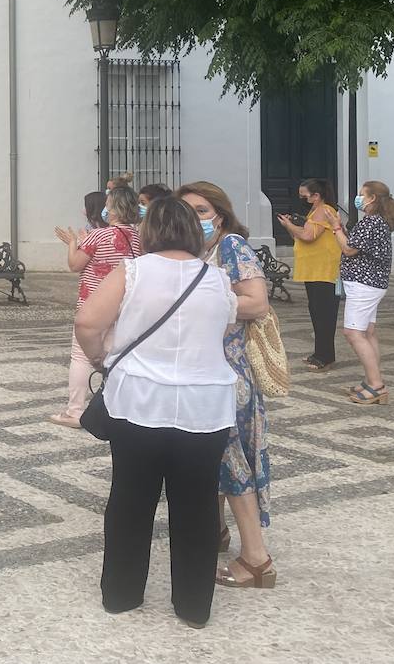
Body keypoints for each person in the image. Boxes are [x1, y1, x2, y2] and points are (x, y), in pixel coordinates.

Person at [76, 195, 237, 628]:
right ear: (190, 231)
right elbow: (220, 330)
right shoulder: (218, 279)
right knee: (198, 505)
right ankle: (193, 604)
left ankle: (122, 593)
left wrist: (99, 359)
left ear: (149, 232)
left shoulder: (131, 272)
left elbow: (88, 323)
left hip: (139, 401)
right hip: (205, 406)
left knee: (131, 497)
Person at [179, 181, 274, 590]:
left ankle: (257, 559)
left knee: (231, 461)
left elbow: (257, 301)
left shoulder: (231, 245)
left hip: (228, 372)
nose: (195, 218)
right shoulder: (189, 252)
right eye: (187, 211)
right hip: (201, 369)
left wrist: (208, 301)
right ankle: (215, 531)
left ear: (219, 213)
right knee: (214, 455)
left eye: (202, 210)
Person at [51, 185, 142, 428]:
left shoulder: (99, 235)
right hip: (124, 304)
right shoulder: (139, 237)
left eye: (108, 204)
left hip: (93, 302)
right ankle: (116, 407)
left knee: (81, 356)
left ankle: (75, 411)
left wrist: (72, 244)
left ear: (113, 208)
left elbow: (75, 265)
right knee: (115, 354)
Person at [330, 180, 394, 406]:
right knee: (368, 332)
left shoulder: (371, 222)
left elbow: (349, 249)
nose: (358, 198)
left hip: (364, 285)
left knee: (353, 333)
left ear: (371, 199)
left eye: (362, 194)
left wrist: (336, 227)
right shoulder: (377, 222)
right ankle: (371, 379)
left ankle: (376, 385)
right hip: (371, 284)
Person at [276, 179, 341, 371]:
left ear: (316, 196)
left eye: (303, 195)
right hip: (313, 269)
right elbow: (301, 236)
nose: (301, 198)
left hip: (324, 270)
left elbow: (308, 236)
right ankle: (319, 353)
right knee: (316, 312)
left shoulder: (325, 210)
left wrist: (288, 225)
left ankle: (326, 356)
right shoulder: (314, 211)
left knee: (324, 314)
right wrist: (292, 225)